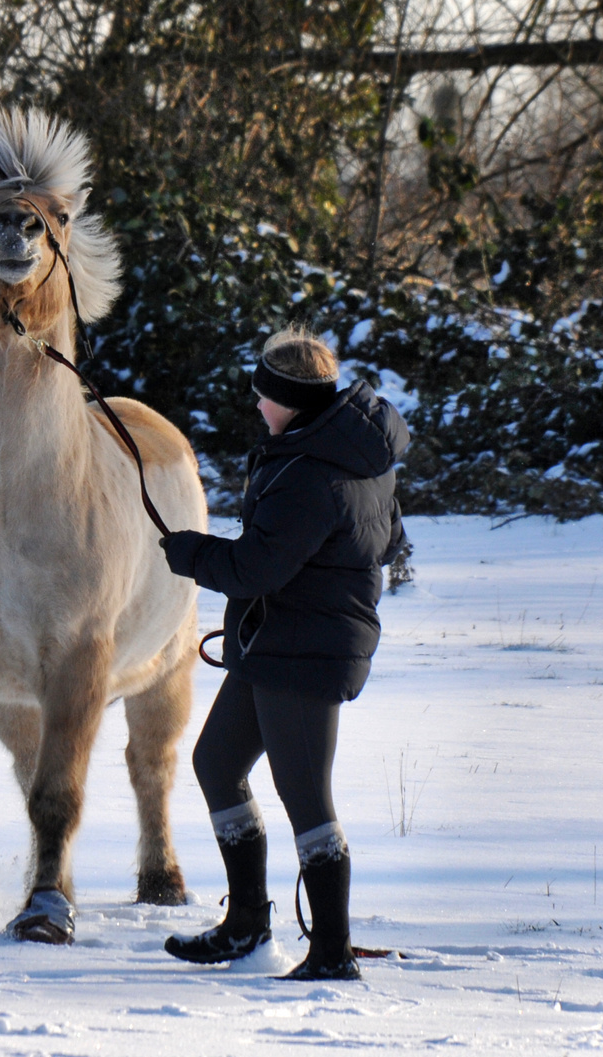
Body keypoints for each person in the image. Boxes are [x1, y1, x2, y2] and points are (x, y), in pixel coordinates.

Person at [158, 326, 409, 981]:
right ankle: (246, 923)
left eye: (263, 396)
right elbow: (386, 539)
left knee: (305, 799)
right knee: (216, 762)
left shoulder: (312, 470)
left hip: (308, 650)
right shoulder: (337, 445)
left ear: (289, 400)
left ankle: (330, 953)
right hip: (276, 641)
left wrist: (189, 553)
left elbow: (255, 569)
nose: (256, 405)